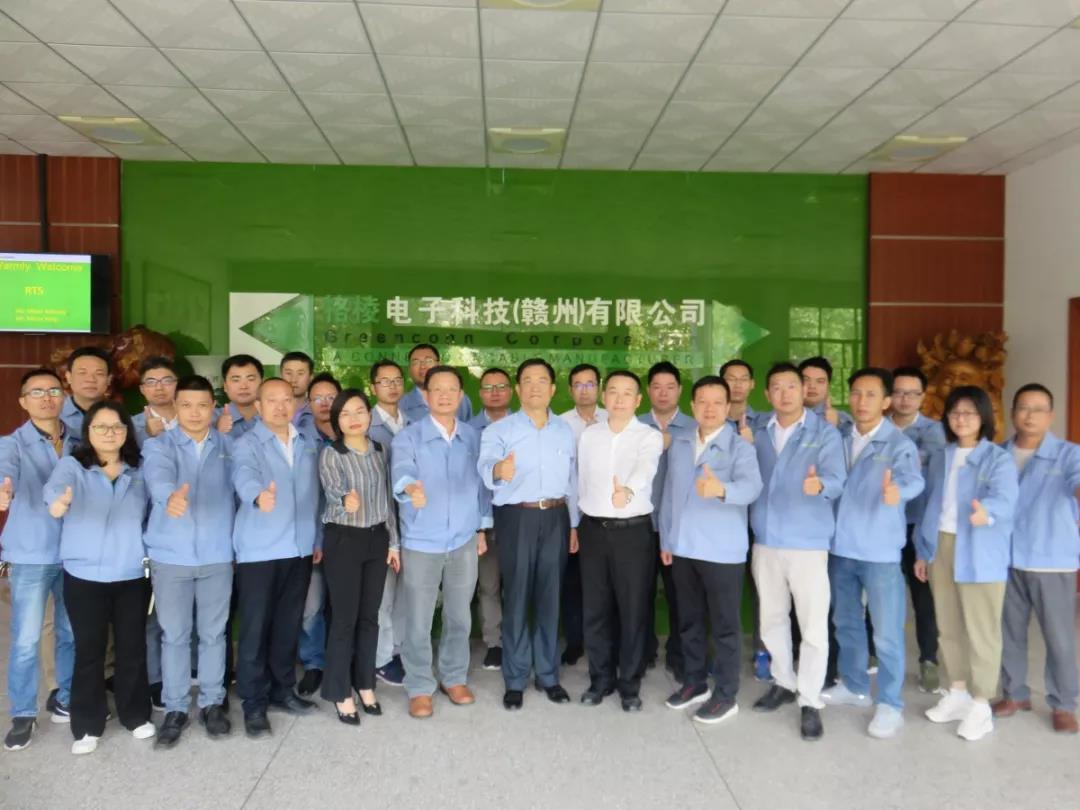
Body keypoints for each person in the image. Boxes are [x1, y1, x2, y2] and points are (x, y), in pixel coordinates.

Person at [44, 402, 155, 755]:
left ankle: (135, 715)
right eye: (101, 427)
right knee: (89, 651)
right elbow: (54, 491)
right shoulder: (73, 466)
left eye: (117, 427)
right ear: (88, 432)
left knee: (132, 648)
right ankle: (87, 725)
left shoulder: (140, 468)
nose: (110, 433)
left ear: (127, 432)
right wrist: (58, 504)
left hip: (131, 572)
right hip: (84, 574)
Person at [821, 368, 924, 739]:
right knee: (846, 622)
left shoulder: (897, 444)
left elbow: (913, 480)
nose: (861, 401)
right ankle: (854, 685)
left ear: (886, 402)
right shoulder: (838, 437)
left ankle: (891, 704)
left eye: (870, 395)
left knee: (887, 633)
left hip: (879, 552)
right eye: (856, 393)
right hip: (840, 548)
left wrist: (899, 491)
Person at [915, 385, 1019, 742]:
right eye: (955, 412)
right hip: (942, 545)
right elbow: (930, 504)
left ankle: (981, 703)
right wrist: (923, 550)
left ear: (983, 417)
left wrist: (987, 512)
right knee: (948, 625)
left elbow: (1006, 499)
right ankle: (957, 692)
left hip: (979, 546)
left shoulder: (997, 458)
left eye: (969, 413)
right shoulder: (942, 456)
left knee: (981, 629)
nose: (961, 419)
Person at [750, 362, 845, 742]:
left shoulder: (824, 433)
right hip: (766, 540)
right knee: (772, 619)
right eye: (777, 387)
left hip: (807, 543)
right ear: (767, 394)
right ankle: (783, 682)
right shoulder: (758, 432)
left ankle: (809, 700)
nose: (785, 393)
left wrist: (820, 484)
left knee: (813, 625)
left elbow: (837, 480)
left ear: (803, 391)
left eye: (792, 386)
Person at [660, 375, 762, 724]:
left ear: (728, 406)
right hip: (684, 548)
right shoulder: (681, 443)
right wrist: (667, 540)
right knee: (689, 621)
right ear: (692, 406)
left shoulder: (740, 447)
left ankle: (726, 694)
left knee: (725, 627)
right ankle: (695, 682)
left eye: (718, 402)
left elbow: (752, 488)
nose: (710, 408)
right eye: (702, 401)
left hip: (722, 552)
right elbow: (669, 494)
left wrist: (722, 490)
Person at [478, 358, 577, 711]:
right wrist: (499, 470)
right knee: (517, 597)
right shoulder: (500, 430)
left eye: (542, 380)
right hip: (516, 518)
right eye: (528, 381)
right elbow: (485, 466)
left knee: (550, 597)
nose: (535, 386)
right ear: (518, 389)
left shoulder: (564, 430)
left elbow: (572, 480)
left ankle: (548, 676)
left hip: (556, 517)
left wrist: (574, 524)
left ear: (553, 389)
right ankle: (516, 678)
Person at [141, 375, 235, 747]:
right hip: (171, 557)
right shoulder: (158, 445)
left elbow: (243, 486)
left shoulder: (229, 446)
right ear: (175, 408)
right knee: (175, 636)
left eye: (202, 405)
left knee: (213, 634)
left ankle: (212, 703)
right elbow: (158, 478)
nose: (194, 413)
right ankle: (176, 707)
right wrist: (170, 497)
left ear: (213, 408)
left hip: (217, 555)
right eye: (186, 405)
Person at [392, 365, 491, 719]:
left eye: (452, 389)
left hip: (463, 540)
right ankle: (419, 686)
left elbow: (482, 487)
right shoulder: (409, 437)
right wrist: (410, 488)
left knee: (459, 614)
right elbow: (401, 471)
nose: (445, 395)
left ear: (461, 396)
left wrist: (481, 528)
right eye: (438, 389)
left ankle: (454, 677)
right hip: (422, 541)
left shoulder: (472, 436)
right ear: (426, 395)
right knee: (418, 620)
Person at [231, 378, 321, 739]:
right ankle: (253, 702)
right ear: (258, 405)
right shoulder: (246, 443)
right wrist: (257, 496)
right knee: (255, 629)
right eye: (272, 400)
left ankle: (282, 690)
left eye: (287, 400)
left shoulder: (307, 442)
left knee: (287, 625)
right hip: (260, 551)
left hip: (299, 548)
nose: (281, 406)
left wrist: (317, 537)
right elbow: (243, 475)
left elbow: (317, 494)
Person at [993, 384, 1080, 734]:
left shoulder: (1069, 455)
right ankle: (1015, 694)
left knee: (1059, 638)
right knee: (1008, 632)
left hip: (1051, 559)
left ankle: (1064, 703)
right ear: (1013, 412)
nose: (1030, 415)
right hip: (1006, 558)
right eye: (1024, 408)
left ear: (1050, 416)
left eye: (1039, 409)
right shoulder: (998, 454)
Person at [1, 369, 78, 750]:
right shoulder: (12, 444)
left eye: (53, 390)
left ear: (64, 396)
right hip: (31, 553)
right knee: (27, 638)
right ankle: (23, 713)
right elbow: (5, 473)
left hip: (76, 552)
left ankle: (66, 697)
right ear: (23, 402)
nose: (46, 397)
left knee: (70, 631)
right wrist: (4, 489)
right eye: (36, 392)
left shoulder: (80, 439)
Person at [576, 370, 662, 712]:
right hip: (593, 530)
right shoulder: (589, 436)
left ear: (638, 400)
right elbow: (580, 481)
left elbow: (646, 469)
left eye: (628, 393)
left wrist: (627, 490)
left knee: (632, 609)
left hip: (632, 533)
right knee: (595, 608)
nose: (620, 399)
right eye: (613, 391)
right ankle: (600, 679)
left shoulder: (649, 436)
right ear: (604, 397)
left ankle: (629, 684)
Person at [318, 389, 400, 725]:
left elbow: (387, 500)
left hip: (377, 539)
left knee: (370, 617)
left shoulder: (381, 450)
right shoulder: (331, 453)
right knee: (344, 619)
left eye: (360, 411)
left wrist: (394, 543)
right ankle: (340, 692)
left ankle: (365, 683)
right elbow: (333, 492)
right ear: (337, 420)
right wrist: (345, 502)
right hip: (344, 540)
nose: (354, 419)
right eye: (345, 413)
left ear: (369, 415)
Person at [889, 365, 946, 693]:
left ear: (923, 396)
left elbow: (935, 485)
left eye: (912, 393)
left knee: (923, 598)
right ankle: (875, 654)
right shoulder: (878, 427)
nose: (905, 399)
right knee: (881, 595)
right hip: (883, 526)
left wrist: (927, 536)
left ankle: (928, 660)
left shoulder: (935, 432)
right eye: (899, 392)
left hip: (917, 524)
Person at [639, 361, 695, 681]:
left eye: (670, 387)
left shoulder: (693, 427)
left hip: (680, 527)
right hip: (640, 525)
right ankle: (644, 650)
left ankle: (678, 653)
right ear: (648, 391)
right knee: (640, 594)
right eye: (657, 387)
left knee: (680, 595)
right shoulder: (634, 426)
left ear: (679, 391)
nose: (663, 393)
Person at [720, 358, 769, 682]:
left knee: (764, 591)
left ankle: (764, 653)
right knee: (723, 594)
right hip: (724, 521)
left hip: (760, 520)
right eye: (730, 378)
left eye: (743, 379)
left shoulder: (766, 424)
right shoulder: (711, 422)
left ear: (752, 384)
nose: (737, 384)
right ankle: (722, 657)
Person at [557, 363, 607, 667]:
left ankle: (604, 641)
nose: (585, 390)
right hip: (571, 515)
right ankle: (575, 642)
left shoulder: (612, 420)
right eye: (578, 384)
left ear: (598, 388)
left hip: (606, 517)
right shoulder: (560, 425)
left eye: (590, 384)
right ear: (570, 389)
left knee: (602, 583)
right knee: (572, 583)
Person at [296, 372, 341, 699]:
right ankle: (314, 664)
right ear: (308, 403)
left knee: (344, 606)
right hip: (311, 537)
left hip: (346, 538)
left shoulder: (354, 435)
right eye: (318, 398)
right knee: (311, 607)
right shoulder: (298, 440)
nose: (325, 404)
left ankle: (342, 663)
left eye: (331, 398)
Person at [469, 367, 514, 671]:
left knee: (520, 585)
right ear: (480, 393)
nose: (495, 392)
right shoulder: (469, 431)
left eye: (501, 386)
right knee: (489, 586)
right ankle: (494, 643)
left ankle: (517, 640)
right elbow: (470, 482)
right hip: (484, 522)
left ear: (511, 391)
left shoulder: (524, 427)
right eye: (488, 387)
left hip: (520, 518)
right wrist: (479, 526)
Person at [368, 359, 409, 688]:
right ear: (373, 387)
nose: (392, 386)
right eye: (384, 381)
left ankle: (398, 650)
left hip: (413, 522)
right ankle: (381, 658)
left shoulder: (415, 423)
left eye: (397, 380)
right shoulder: (364, 426)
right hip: (380, 523)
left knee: (406, 592)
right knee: (383, 594)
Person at [400, 343, 473, 424]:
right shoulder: (401, 404)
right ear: (410, 369)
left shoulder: (461, 399)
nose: (422, 366)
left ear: (439, 365)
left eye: (428, 361)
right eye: (416, 362)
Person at [60, 347, 112, 437]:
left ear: (109, 379)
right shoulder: (53, 416)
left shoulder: (120, 418)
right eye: (82, 373)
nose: (90, 379)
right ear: (68, 377)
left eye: (99, 373)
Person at [132, 356, 178, 447]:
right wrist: (147, 434)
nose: (159, 388)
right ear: (142, 389)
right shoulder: (132, 425)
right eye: (151, 382)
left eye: (166, 381)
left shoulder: (199, 417)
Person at [215, 354, 264, 438]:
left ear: (262, 384)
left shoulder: (276, 416)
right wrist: (216, 432)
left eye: (251, 379)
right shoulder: (210, 417)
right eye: (236, 380)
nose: (243, 386)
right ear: (225, 386)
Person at [798, 356, 852, 430]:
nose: (812, 386)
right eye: (806, 380)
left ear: (828, 386)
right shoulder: (783, 415)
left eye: (820, 381)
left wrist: (832, 427)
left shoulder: (842, 420)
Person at [281, 351, 315, 435]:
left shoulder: (317, 410)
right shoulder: (269, 410)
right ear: (281, 375)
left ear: (311, 377)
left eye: (300, 373)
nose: (293, 380)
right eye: (289, 373)